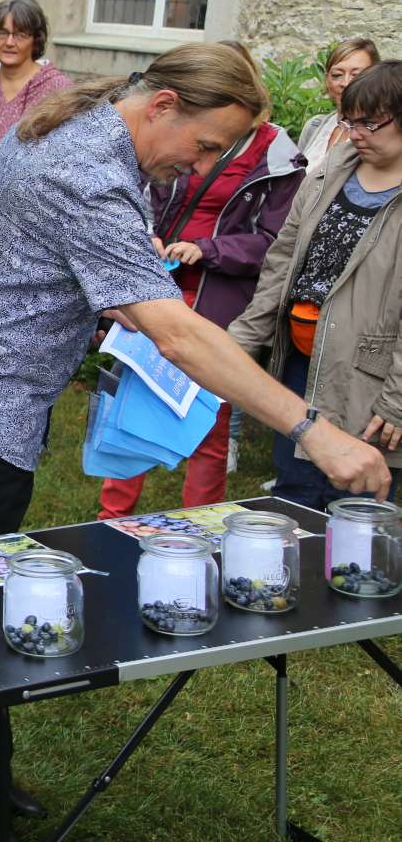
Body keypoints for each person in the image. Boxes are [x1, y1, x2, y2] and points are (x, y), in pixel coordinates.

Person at [0, 42, 390, 841]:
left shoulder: (97, 127)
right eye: (202, 148)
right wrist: (315, 430)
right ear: (163, 104)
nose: (196, 168)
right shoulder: (88, 169)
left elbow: (115, 289)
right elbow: (172, 330)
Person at [98, 43, 306, 519]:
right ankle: (112, 517)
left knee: (211, 413)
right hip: (153, 283)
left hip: (217, 294)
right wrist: (140, 234)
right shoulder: (168, 134)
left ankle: (202, 520)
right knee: (132, 403)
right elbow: (142, 188)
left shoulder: (277, 155)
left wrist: (209, 249)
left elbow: (274, 242)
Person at [231, 60, 402, 510]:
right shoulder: (333, 169)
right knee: (296, 495)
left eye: (369, 122)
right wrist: (243, 339)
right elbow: (283, 259)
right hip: (303, 361)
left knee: (356, 510)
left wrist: (397, 400)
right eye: (349, 120)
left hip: (374, 379)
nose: (355, 133)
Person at [0, 0, 74, 165]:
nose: (9, 42)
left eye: (20, 35)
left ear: (36, 40)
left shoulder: (58, 90)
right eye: (3, 33)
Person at [298, 37, 381, 176]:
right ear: (326, 80)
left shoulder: (381, 133)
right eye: (337, 75)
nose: (346, 83)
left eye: (357, 75)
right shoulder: (314, 126)